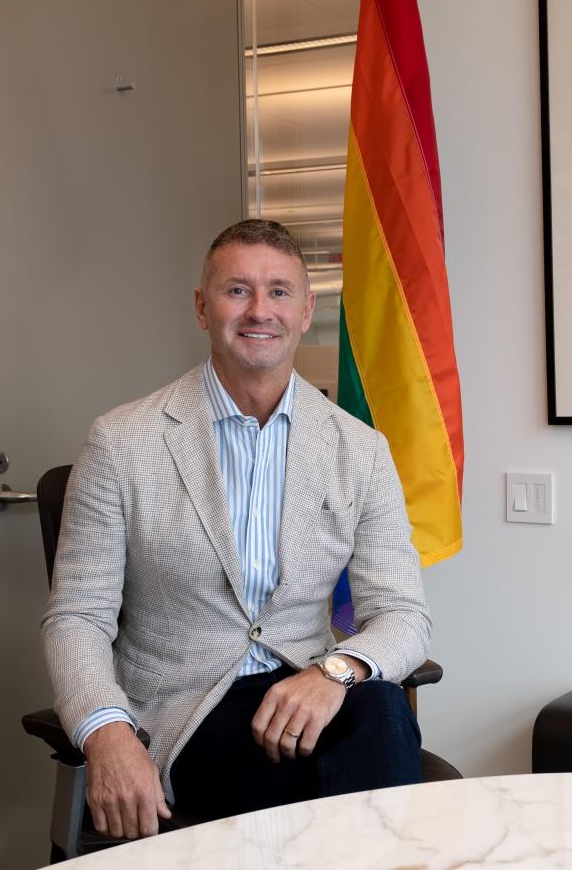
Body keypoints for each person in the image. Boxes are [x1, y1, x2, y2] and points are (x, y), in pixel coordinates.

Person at [41, 219, 431, 839]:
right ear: (203, 306)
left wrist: (335, 673)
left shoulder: (359, 450)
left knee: (379, 712)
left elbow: (403, 613)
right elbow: (77, 619)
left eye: (279, 292)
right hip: (183, 715)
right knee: (361, 809)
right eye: (237, 290)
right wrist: (107, 733)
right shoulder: (122, 441)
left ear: (306, 311)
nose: (260, 310)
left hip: (307, 692)